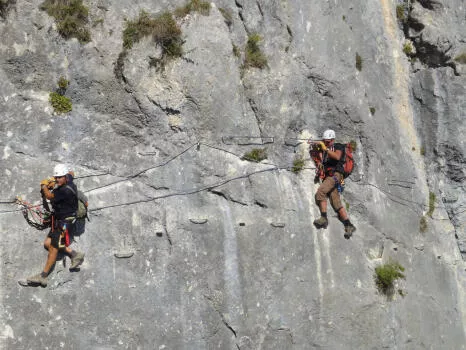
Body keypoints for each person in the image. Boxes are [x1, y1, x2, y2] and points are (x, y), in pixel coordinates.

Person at [26, 164, 85, 286]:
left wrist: (44, 186)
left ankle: (43, 276)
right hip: (61, 219)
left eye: (59, 178)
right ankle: (75, 254)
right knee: (47, 243)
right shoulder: (68, 178)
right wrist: (54, 181)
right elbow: (72, 172)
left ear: (64, 177)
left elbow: (49, 196)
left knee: (53, 247)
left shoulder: (64, 191)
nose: (57, 180)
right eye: (56, 177)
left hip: (64, 222)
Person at [312, 129, 356, 238]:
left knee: (321, 192)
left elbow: (337, 157)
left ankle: (324, 218)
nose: (326, 143)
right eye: (325, 141)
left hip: (335, 175)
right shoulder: (326, 150)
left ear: (332, 140)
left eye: (328, 141)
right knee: (336, 202)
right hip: (329, 176)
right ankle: (349, 225)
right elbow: (322, 160)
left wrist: (324, 147)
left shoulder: (338, 146)